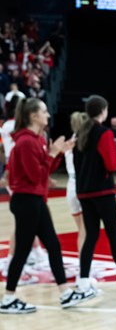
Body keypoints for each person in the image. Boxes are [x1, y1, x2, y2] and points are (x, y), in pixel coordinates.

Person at [1, 98, 96, 313]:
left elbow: (44, 170)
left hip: (34, 199)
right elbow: (36, 176)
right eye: (44, 111)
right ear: (33, 116)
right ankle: (8, 298)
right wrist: (53, 152)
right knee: (23, 251)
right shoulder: (26, 142)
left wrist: (59, 152)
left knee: (52, 245)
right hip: (26, 200)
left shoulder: (36, 139)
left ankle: (65, 293)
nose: (48, 115)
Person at [74, 95, 116, 295]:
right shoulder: (103, 133)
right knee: (113, 234)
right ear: (103, 110)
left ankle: (84, 282)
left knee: (91, 236)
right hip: (102, 191)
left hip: (84, 191)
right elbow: (111, 164)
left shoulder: (80, 134)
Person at [65, 111, 87, 255]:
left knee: (81, 230)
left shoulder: (69, 142)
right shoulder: (83, 142)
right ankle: (84, 266)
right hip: (82, 184)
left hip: (70, 185)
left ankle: (83, 262)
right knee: (86, 232)